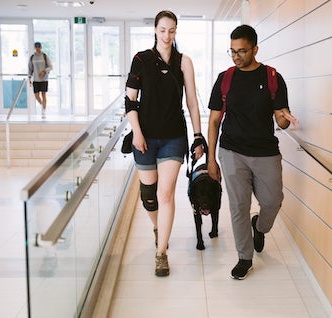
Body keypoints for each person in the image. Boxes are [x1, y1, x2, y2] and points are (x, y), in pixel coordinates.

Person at [207, 24, 298, 280]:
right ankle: (244, 257)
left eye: (242, 51)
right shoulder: (225, 79)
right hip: (232, 151)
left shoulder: (272, 77)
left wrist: (285, 118)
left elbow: (280, 118)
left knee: (272, 201)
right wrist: (211, 160)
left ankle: (260, 226)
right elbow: (214, 121)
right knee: (239, 206)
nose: (236, 56)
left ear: (255, 49)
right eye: (232, 51)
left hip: (265, 151)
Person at [125, 10, 204, 277]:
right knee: (149, 196)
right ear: (155, 30)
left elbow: (192, 102)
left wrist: (197, 135)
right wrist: (136, 132)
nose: (167, 35)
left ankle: (161, 254)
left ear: (176, 31)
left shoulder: (184, 62)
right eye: (162, 30)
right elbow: (130, 101)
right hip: (145, 137)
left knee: (165, 194)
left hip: (173, 136)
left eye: (171, 30)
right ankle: (159, 228)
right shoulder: (141, 59)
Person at [28, 42, 52, 118]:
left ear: (41, 47)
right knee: (36, 95)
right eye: (36, 46)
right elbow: (30, 69)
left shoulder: (44, 56)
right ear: (35, 47)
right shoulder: (32, 57)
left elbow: (50, 67)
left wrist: (43, 71)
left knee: (43, 94)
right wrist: (29, 78)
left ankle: (43, 111)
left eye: (39, 46)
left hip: (44, 79)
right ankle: (42, 104)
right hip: (36, 79)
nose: (37, 48)